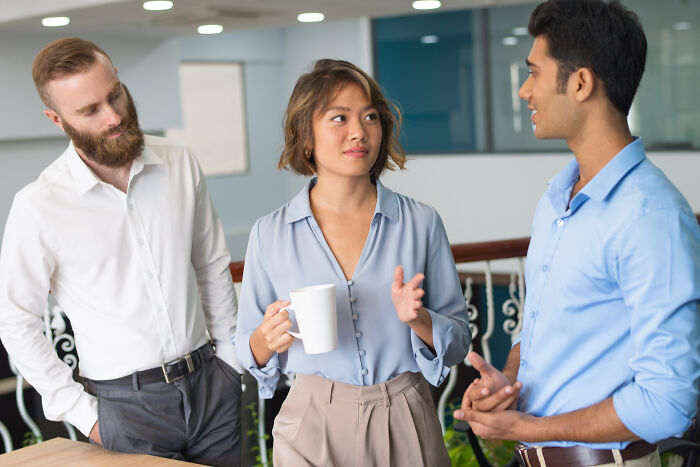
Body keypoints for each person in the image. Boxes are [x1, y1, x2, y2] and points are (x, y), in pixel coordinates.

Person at [453, 1, 700, 466]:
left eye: (534, 72)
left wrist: (533, 428)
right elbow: (542, 327)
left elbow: (668, 402)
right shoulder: (557, 199)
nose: (525, 90)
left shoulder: (652, 216)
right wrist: (510, 382)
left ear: (581, 83)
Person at [0, 37, 243, 466]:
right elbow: (16, 322)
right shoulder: (37, 206)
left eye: (115, 95)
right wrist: (84, 414)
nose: (114, 116)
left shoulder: (180, 162)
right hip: (123, 410)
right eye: (90, 110)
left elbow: (210, 265)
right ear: (56, 119)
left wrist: (229, 360)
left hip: (212, 387)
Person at [234, 59, 470, 466]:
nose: (359, 131)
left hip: (405, 413)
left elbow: (459, 339)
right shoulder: (269, 233)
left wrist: (419, 320)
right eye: (338, 118)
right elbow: (245, 347)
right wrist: (264, 339)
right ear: (306, 137)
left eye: (370, 117)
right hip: (311, 421)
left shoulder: (421, 222)